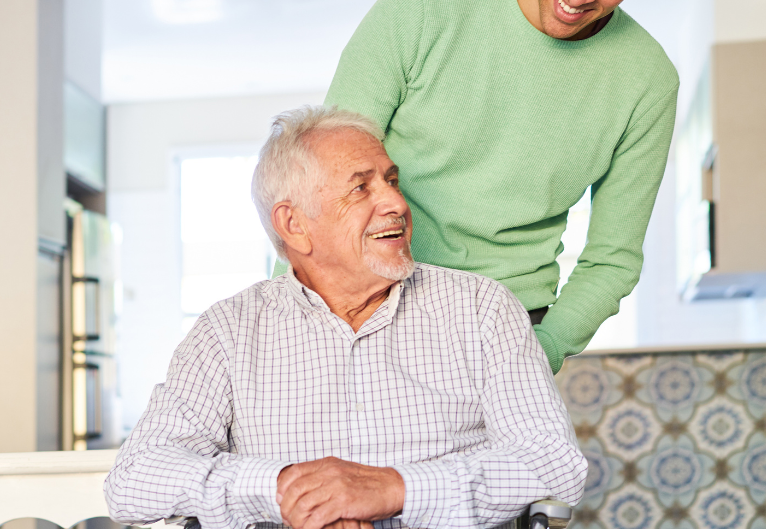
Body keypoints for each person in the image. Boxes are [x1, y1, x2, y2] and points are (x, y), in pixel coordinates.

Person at [105, 107, 586, 529]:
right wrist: (287, 491)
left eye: (391, 181)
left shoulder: (481, 309)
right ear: (294, 225)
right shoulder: (227, 332)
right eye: (361, 188)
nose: (397, 203)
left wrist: (395, 488)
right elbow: (134, 480)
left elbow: (554, 462)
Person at [314, 0, 694, 373]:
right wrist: (295, 318)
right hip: (364, 311)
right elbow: (324, 177)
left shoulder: (648, 81)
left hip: (506, 332)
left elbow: (611, 259)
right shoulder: (425, 0)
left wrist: (541, 351)